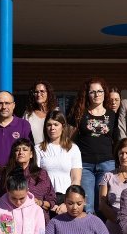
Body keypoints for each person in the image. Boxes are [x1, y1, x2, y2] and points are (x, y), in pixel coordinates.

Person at [67, 78, 118, 213]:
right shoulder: (79, 114)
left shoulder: (112, 114)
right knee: (87, 205)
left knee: (104, 204)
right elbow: (69, 139)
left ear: (104, 93)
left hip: (107, 164)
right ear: (87, 94)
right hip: (85, 164)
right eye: (92, 92)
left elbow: (116, 140)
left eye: (100, 91)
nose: (97, 95)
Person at [36, 110, 82, 211]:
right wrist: (48, 204)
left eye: (56, 124)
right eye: (49, 125)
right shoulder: (38, 149)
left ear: (63, 126)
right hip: (45, 198)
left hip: (66, 198)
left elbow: (76, 179)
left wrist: (68, 203)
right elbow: (36, 178)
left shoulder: (73, 148)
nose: (52, 128)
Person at [0, 92, 32, 169]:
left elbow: (28, 150)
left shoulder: (24, 125)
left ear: (13, 105)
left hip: (18, 174)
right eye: (0, 103)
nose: (4, 107)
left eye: (7, 103)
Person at [23, 80, 57, 146]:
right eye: (36, 92)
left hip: (52, 153)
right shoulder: (28, 114)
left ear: (48, 93)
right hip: (34, 152)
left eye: (42, 91)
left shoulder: (56, 112)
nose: (38, 94)